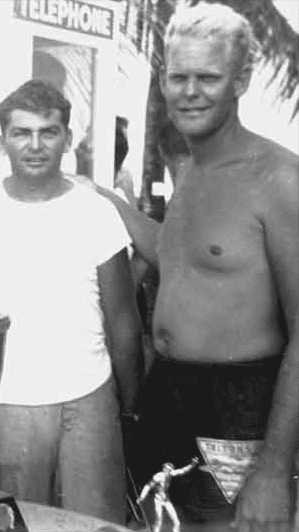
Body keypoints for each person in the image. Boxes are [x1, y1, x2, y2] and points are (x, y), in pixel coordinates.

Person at [98, 3, 299, 531]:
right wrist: (104, 200)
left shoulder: (278, 180)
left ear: (242, 80)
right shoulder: (194, 168)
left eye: (208, 77)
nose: (189, 91)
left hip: (239, 407)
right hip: (168, 398)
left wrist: (275, 468)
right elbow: (182, 254)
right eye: (178, 76)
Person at [0, 79, 143, 524]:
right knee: (19, 521)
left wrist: (130, 404)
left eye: (48, 132)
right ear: (1, 140)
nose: (35, 145)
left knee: (96, 523)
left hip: (89, 396)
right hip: (8, 401)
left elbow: (122, 319)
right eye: (21, 133)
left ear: (67, 138)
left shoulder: (96, 211)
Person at [137, 458, 200, 532]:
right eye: (168, 470)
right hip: (158, 500)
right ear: (164, 469)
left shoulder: (171, 474)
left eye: (170, 470)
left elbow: (183, 470)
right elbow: (148, 486)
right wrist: (142, 497)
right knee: (159, 521)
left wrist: (193, 464)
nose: (169, 472)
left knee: (177, 522)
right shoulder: (158, 476)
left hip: (167, 500)